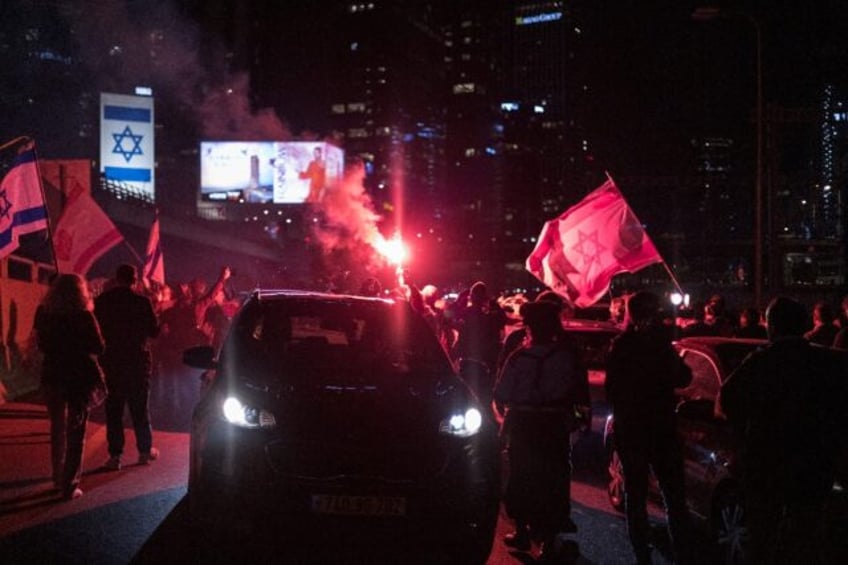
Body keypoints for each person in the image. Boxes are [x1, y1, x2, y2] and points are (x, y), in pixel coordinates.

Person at [719, 296, 848, 564]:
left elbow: (726, 403)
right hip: (817, 464)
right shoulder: (833, 362)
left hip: (768, 465)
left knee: (763, 537)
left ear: (772, 327)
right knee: (807, 535)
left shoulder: (761, 362)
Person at [493, 300, 589, 560]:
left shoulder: (518, 357)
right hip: (552, 426)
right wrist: (579, 421)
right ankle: (547, 539)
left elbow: (501, 394)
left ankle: (523, 531)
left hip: (524, 424)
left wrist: (507, 415)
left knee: (522, 477)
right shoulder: (567, 357)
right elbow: (580, 395)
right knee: (552, 481)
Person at [605, 291, 694, 565]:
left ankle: (642, 556)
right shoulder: (661, 344)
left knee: (637, 496)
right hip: (661, 428)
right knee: (673, 498)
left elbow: (612, 390)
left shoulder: (623, 345)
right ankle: (682, 553)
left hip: (633, 430)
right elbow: (685, 377)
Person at [34, 274, 105, 500]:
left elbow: (42, 345)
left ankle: (57, 476)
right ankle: (69, 484)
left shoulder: (44, 314)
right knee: (76, 432)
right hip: (78, 377)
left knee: (57, 428)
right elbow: (99, 347)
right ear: (81, 293)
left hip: (53, 374)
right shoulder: (84, 316)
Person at [94, 265, 161, 470]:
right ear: (135, 280)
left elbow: (96, 331)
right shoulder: (142, 302)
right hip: (137, 362)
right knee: (139, 409)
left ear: (117, 278)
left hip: (112, 361)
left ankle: (115, 456)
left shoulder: (103, 301)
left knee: (114, 410)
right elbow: (154, 332)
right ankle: (144, 451)